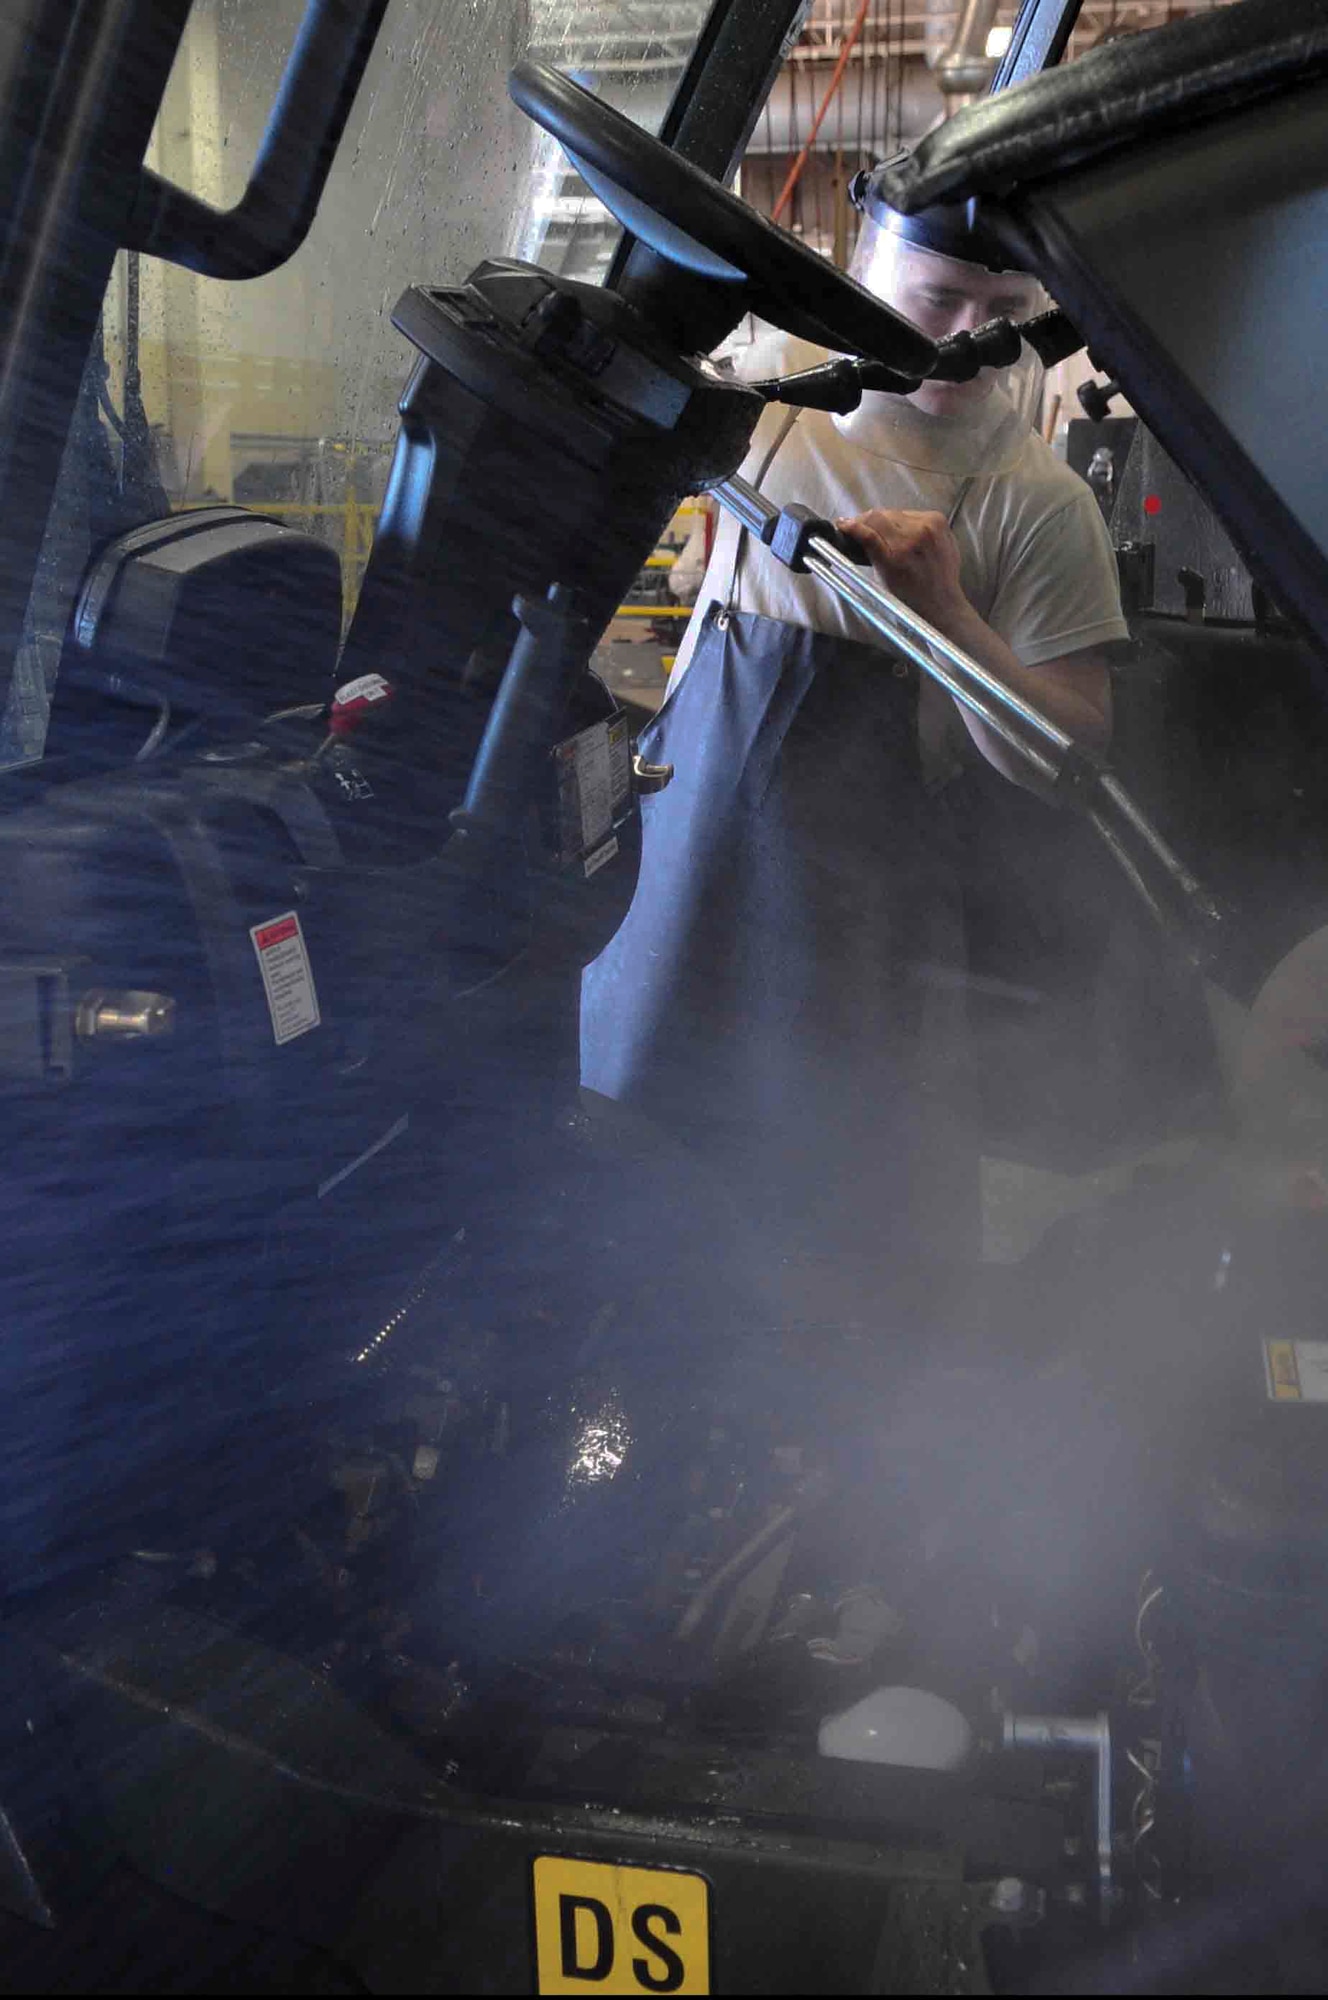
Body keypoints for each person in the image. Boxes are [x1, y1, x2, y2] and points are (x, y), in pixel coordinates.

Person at [580, 169, 1130, 1296]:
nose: (968, 339)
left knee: (811, 1238)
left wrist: (951, 615)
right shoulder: (763, 402)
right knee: (614, 1175)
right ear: (863, 261)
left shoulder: (1034, 500)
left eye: (1006, 315)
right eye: (935, 301)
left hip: (852, 939)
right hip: (668, 882)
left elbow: (1070, 760)